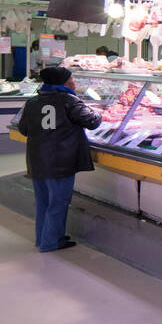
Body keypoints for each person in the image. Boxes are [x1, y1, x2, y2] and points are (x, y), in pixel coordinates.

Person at [15, 66, 102, 251]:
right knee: (59, 202)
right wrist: (97, 112)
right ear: (64, 82)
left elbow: (23, 129)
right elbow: (92, 122)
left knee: (43, 202)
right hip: (61, 160)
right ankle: (51, 242)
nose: (74, 81)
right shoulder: (69, 100)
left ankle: (43, 238)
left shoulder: (33, 102)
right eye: (72, 78)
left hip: (37, 159)